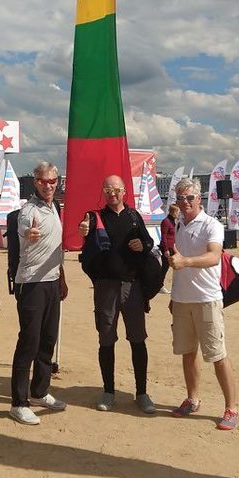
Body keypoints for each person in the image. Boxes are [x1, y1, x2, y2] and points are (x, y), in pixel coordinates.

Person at [78, 174, 156, 415]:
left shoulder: (134, 217)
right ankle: (108, 391)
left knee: (138, 339)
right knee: (106, 338)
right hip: (105, 287)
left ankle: (142, 393)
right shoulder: (94, 217)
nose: (113, 194)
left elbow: (149, 242)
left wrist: (143, 246)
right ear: (103, 192)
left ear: (124, 192)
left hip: (132, 287)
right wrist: (83, 232)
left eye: (117, 190)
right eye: (108, 190)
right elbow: (86, 244)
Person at [167, 177, 239, 431]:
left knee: (218, 355)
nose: (185, 202)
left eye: (190, 197)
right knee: (188, 353)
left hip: (207, 299)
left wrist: (185, 262)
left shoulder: (211, 225)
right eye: (181, 197)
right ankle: (192, 398)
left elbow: (213, 256)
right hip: (182, 299)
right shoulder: (177, 225)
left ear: (199, 198)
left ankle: (231, 408)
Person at [9, 161, 68, 425]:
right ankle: (18, 403)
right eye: (43, 181)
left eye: (52, 181)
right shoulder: (28, 210)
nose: (48, 185)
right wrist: (28, 233)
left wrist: (62, 279)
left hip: (52, 282)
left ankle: (39, 391)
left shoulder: (54, 206)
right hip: (31, 283)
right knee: (29, 343)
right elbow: (24, 227)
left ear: (57, 182)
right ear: (35, 182)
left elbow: (57, 248)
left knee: (47, 341)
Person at [158, 204, 180, 294]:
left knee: (174, 266)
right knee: (165, 267)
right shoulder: (166, 221)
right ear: (173, 212)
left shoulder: (173, 221)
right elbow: (164, 236)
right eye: (177, 212)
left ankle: (172, 285)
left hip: (173, 247)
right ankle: (160, 285)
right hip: (167, 248)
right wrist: (166, 249)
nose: (178, 214)